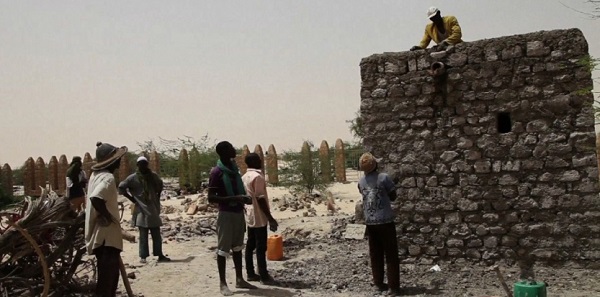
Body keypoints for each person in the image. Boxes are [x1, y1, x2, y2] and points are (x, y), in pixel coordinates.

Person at [208, 141, 257, 296]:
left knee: (237, 248)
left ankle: (239, 279)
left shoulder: (234, 170)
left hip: (237, 212)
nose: (233, 150)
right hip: (226, 214)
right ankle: (222, 283)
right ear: (223, 152)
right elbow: (211, 197)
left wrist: (244, 199)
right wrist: (234, 197)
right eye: (230, 148)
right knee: (223, 250)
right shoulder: (217, 172)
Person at [84, 141, 127, 297]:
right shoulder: (108, 178)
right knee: (108, 282)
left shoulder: (95, 175)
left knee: (107, 279)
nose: (120, 161)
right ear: (113, 160)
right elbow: (96, 198)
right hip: (106, 238)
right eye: (118, 158)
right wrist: (107, 217)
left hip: (99, 237)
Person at [357, 153, 400, 296]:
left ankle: (379, 283)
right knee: (391, 254)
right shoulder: (384, 178)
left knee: (375, 253)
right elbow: (393, 196)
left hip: (370, 222)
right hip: (386, 221)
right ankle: (393, 287)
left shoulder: (361, 182)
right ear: (375, 165)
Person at [118, 156, 169, 263]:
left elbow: (160, 184)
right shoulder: (132, 178)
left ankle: (159, 254)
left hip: (152, 208)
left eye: (145, 163)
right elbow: (121, 187)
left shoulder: (153, 176)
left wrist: (157, 197)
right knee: (143, 235)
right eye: (141, 164)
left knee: (156, 234)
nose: (143, 166)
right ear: (138, 165)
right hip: (141, 209)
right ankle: (143, 256)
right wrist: (132, 199)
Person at [242, 153, 278, 285]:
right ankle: (263, 275)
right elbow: (260, 198)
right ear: (256, 162)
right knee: (260, 246)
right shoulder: (258, 177)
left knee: (250, 244)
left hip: (250, 214)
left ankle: (250, 273)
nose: (261, 161)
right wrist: (270, 218)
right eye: (259, 159)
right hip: (258, 214)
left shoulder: (244, 177)